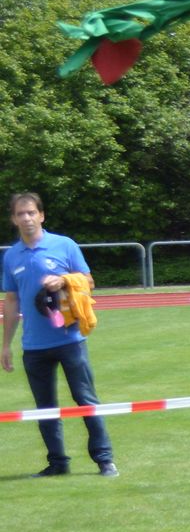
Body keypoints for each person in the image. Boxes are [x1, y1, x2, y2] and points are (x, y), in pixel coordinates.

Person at [2, 192, 117, 477]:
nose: (27, 218)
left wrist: (63, 280)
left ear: (41, 215)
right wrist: (5, 345)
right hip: (34, 345)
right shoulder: (11, 256)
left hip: (70, 340)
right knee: (45, 408)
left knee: (86, 400)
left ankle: (104, 460)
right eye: (20, 214)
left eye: (31, 212)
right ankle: (57, 463)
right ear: (13, 219)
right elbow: (12, 301)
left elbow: (88, 281)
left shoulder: (64, 245)